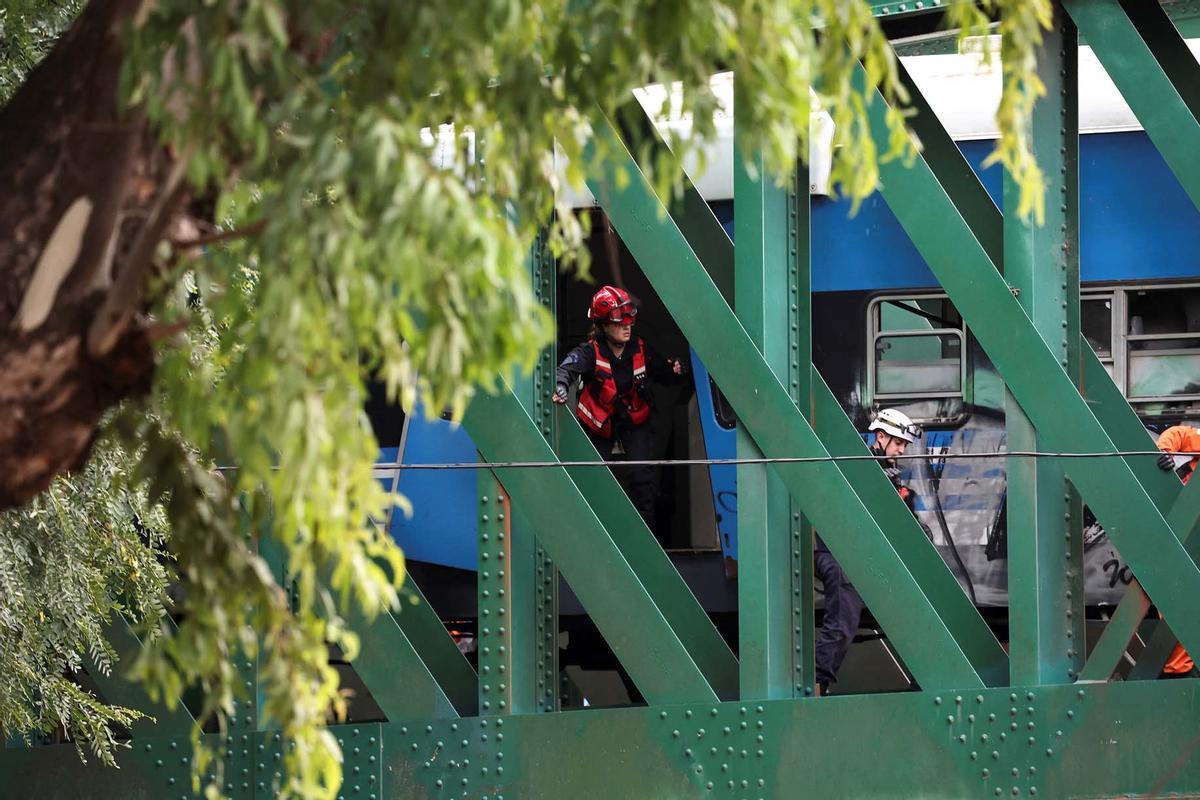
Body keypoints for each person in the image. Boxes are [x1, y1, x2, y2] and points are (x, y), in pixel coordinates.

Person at [553, 285, 684, 538]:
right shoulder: (589, 352)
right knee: (591, 478)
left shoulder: (641, 350)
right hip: (598, 426)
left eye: (629, 321)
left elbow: (666, 373)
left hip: (635, 422)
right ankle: (589, 537)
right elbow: (566, 370)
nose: (627, 326)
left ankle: (645, 540)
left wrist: (679, 370)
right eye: (619, 321)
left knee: (642, 478)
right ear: (603, 324)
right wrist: (560, 387)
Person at [815, 407, 922, 696]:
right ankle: (814, 687)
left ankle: (925, 675)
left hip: (862, 553)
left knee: (912, 606)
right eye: (898, 443)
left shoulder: (886, 472)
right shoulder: (860, 464)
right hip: (837, 552)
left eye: (904, 445)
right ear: (880, 436)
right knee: (841, 618)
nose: (901, 450)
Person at [1152, 425, 1200, 678]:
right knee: (1179, 606)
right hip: (1182, 541)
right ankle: (1177, 672)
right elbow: (1179, 433)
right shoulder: (1196, 440)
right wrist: (1164, 452)